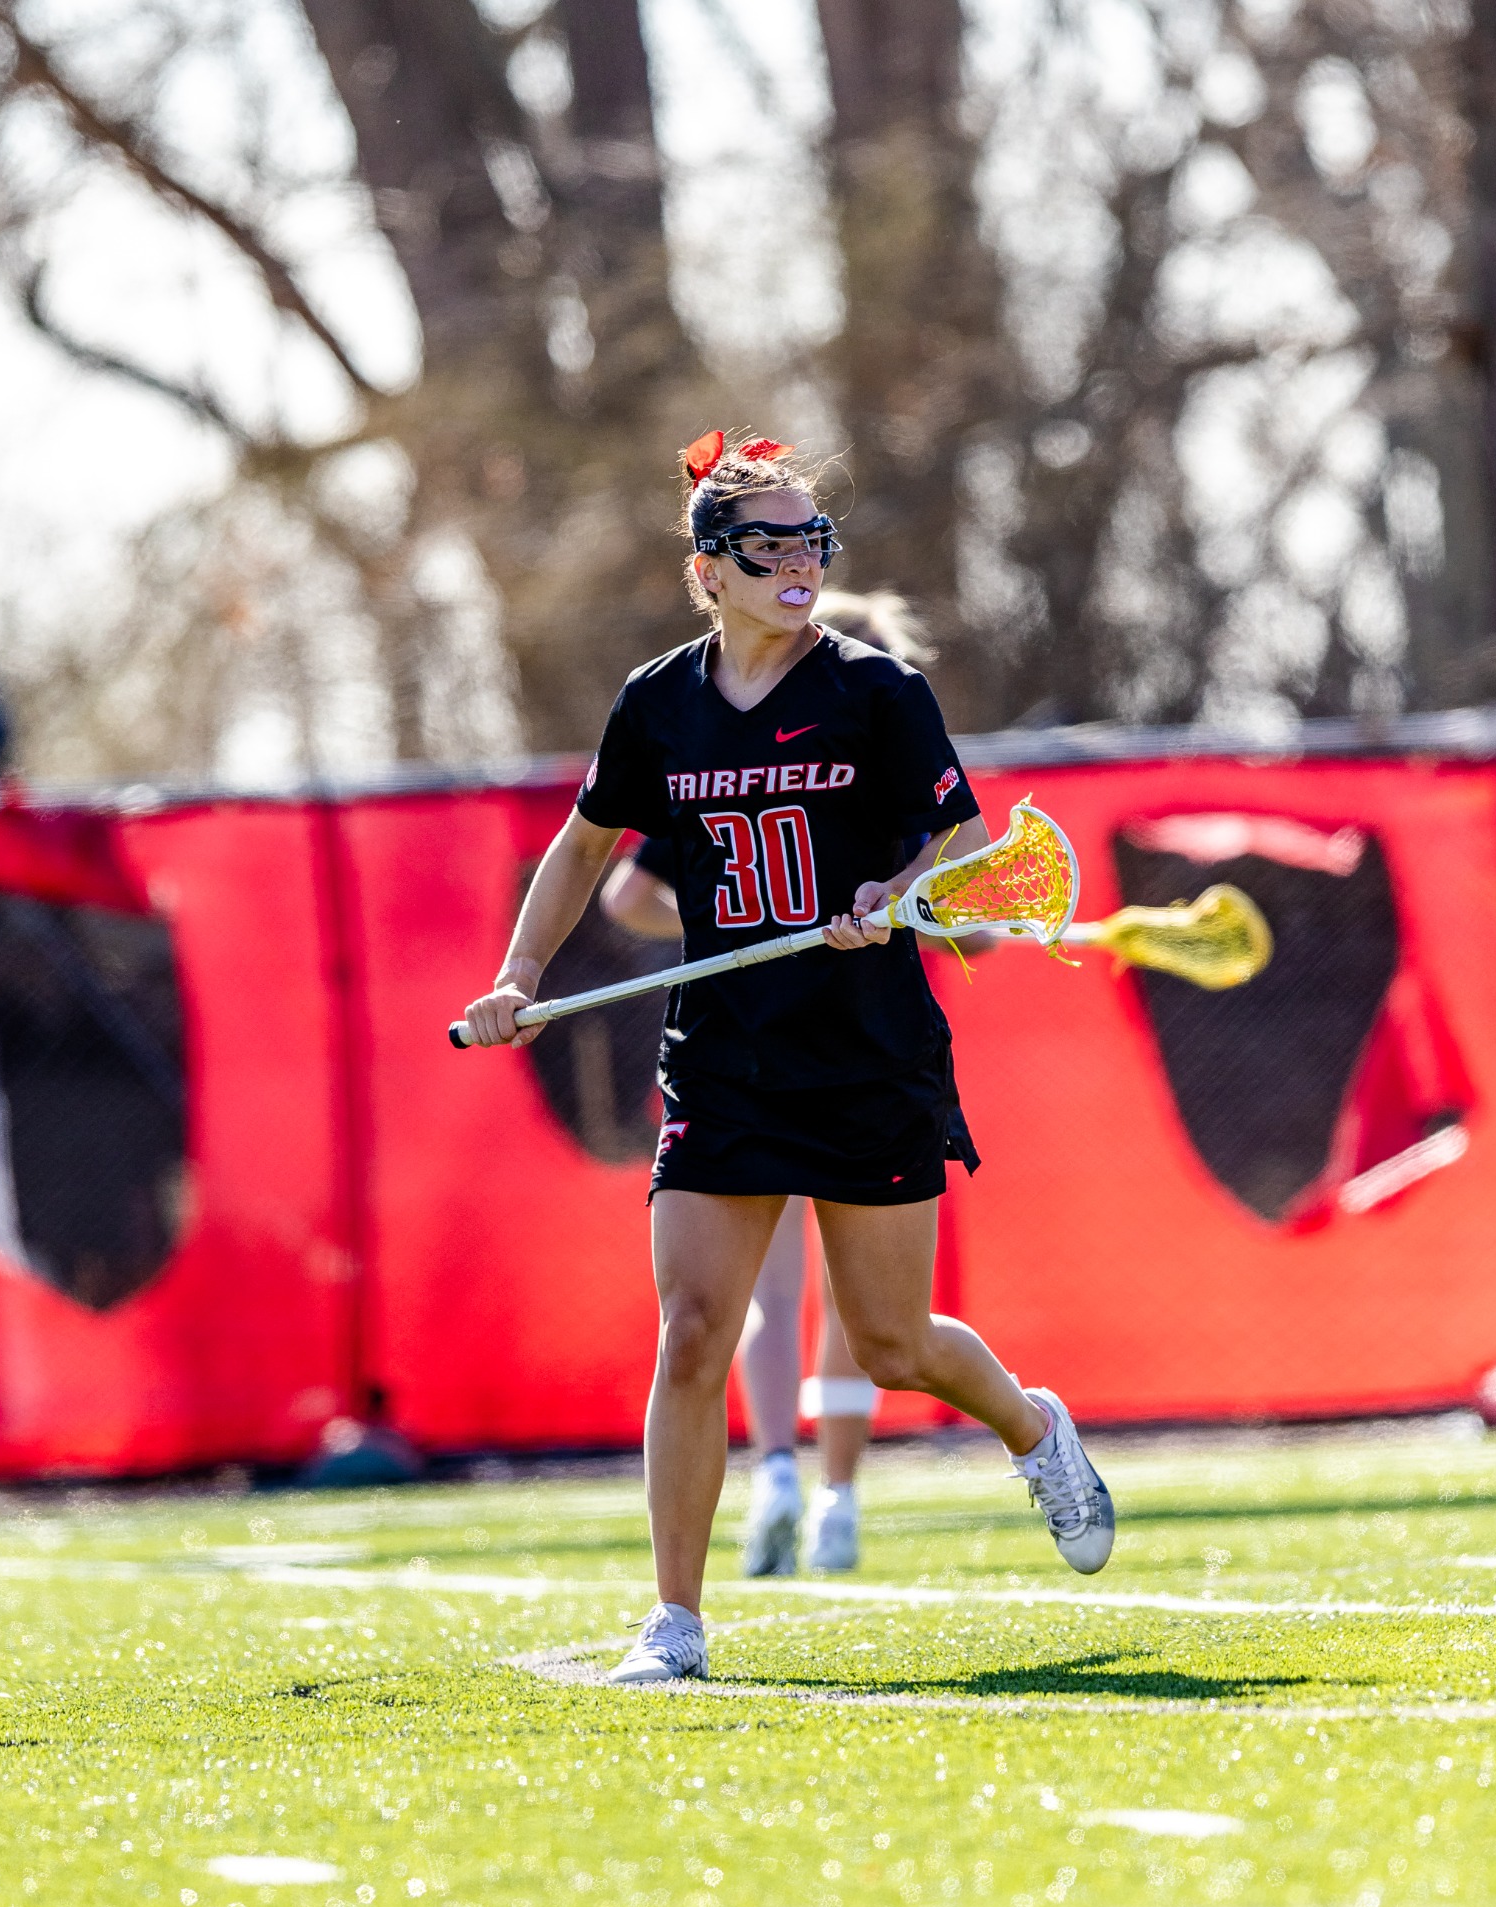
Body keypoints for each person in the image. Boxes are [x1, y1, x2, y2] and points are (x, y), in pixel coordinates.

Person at [462, 430, 1114, 1685]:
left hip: (868, 1056)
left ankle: (1036, 1429)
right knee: (694, 1328)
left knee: (890, 1344)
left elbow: (969, 853)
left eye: (814, 538)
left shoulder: (878, 691)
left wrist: (893, 888)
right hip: (726, 1063)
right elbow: (583, 850)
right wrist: (519, 979)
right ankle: (676, 1622)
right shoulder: (658, 702)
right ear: (709, 569)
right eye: (769, 543)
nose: (799, 561)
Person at [600, 591, 943, 1578]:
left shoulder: (843, 742)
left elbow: (631, 891)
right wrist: (744, 938)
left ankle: (782, 1476)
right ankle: (830, 1496)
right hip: (790, 1058)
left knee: (796, 1299)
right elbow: (626, 880)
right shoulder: (770, 754)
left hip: (833, 1056)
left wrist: (727, 937)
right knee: (826, 1300)